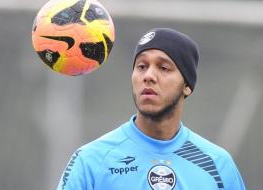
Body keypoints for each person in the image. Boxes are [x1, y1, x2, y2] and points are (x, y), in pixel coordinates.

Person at [57, 28, 246, 190]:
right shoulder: (91, 160)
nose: (149, 76)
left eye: (163, 68)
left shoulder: (218, 165)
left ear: (187, 85)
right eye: (141, 66)